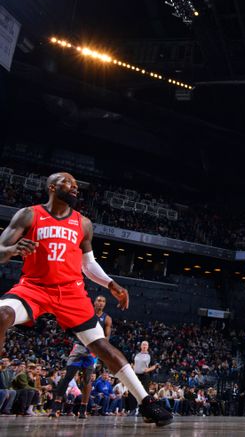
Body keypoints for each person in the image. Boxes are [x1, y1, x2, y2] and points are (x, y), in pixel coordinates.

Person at [0, 172, 172, 426]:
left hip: (71, 292)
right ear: (52, 187)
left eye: (76, 185)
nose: (74, 187)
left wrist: (111, 284)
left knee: (103, 347)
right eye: (67, 182)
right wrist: (13, 249)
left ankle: (146, 402)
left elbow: (88, 264)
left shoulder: (83, 223)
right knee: (2, 315)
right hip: (34, 288)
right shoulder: (29, 214)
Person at [50, 295, 111, 419]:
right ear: (94, 302)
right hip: (79, 346)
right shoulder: (85, 313)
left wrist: (100, 350)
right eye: (99, 300)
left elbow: (107, 338)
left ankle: (83, 409)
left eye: (103, 301)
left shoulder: (107, 319)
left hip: (92, 350)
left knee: (87, 380)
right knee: (68, 377)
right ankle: (55, 407)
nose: (101, 303)